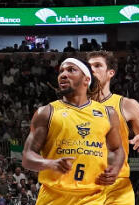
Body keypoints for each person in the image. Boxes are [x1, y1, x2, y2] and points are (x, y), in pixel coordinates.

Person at [22, 58, 127, 205]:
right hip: (53, 197)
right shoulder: (46, 112)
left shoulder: (107, 113)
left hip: (92, 197)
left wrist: (115, 169)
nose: (63, 74)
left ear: (86, 79)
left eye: (71, 70)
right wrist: (50, 164)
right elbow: (27, 157)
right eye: (61, 71)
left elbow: (117, 149)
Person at [86, 52, 139, 205]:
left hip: (116, 185)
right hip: (82, 183)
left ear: (111, 73)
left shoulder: (126, 105)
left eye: (97, 65)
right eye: (89, 67)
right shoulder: (71, 106)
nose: (92, 70)